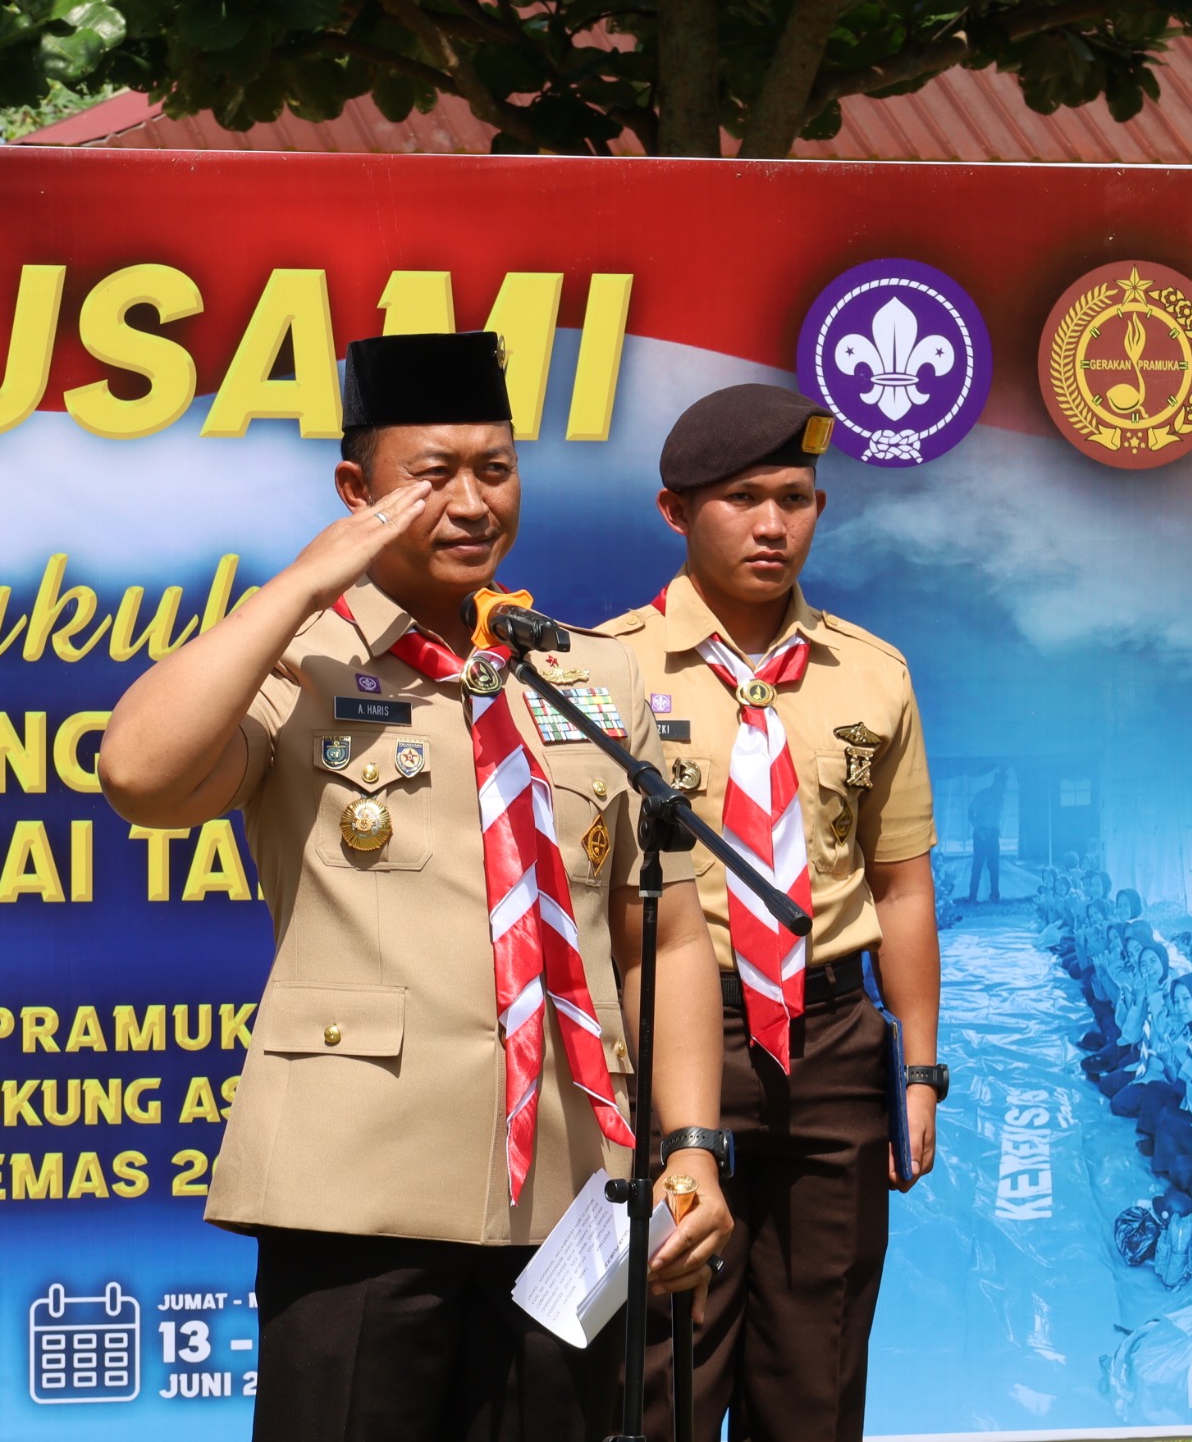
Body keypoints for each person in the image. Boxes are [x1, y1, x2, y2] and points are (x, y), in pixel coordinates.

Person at [99, 332, 733, 1442]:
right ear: (357, 490)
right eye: (432, 475)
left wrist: (691, 1148)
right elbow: (139, 775)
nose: (473, 503)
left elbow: (665, 938)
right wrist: (304, 583)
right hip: (357, 1189)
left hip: (576, 1189)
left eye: (496, 469)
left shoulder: (588, 674)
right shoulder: (299, 663)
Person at [599, 383, 942, 1442]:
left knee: (817, 1365)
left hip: (829, 1042)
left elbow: (900, 883)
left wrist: (919, 1069)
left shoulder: (871, 675)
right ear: (674, 511)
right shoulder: (603, 671)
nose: (770, 525)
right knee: (665, 1360)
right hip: (670, 1034)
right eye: (741, 498)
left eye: (793, 499)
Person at [965, 767, 1009, 902]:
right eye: (1002, 785)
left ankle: (995, 895)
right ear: (996, 783)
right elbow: (970, 813)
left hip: (993, 835)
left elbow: (997, 818)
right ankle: (972, 896)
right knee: (977, 866)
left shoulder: (1000, 799)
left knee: (994, 866)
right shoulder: (982, 795)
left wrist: (993, 831)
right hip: (980, 834)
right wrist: (979, 829)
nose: (1003, 788)